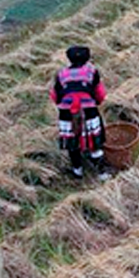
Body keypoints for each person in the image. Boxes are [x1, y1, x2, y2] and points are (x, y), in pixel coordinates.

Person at [49, 45, 109, 180]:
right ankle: (101, 173)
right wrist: (95, 102)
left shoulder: (61, 74)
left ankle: (77, 171)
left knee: (72, 142)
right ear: (87, 58)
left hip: (67, 113)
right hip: (89, 110)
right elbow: (100, 94)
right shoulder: (92, 72)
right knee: (95, 141)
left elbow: (55, 96)